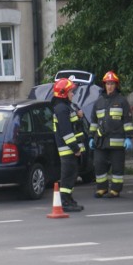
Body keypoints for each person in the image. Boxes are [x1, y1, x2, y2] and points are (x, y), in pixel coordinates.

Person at [89, 71, 133, 198]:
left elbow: (127, 121)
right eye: (108, 83)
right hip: (100, 141)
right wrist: (91, 137)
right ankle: (102, 188)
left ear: (116, 85)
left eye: (112, 83)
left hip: (118, 141)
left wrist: (129, 138)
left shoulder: (122, 101)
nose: (110, 86)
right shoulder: (98, 102)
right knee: (98, 164)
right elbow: (94, 121)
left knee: (117, 167)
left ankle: (115, 190)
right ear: (104, 85)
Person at [52, 78, 84, 212]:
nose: (73, 94)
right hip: (68, 150)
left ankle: (68, 198)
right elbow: (66, 132)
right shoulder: (61, 109)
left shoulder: (66, 107)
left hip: (70, 149)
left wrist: (78, 115)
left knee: (72, 175)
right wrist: (75, 148)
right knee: (68, 176)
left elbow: (74, 125)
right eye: (71, 91)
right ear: (64, 93)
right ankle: (65, 202)